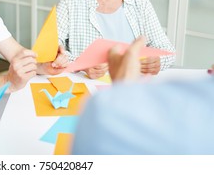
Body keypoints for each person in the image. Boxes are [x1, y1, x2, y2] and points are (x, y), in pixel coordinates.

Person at [72, 37, 214, 154]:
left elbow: (168, 51)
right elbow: (57, 53)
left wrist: (156, 62)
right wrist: (81, 64)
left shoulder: (104, 112)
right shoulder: (71, 3)